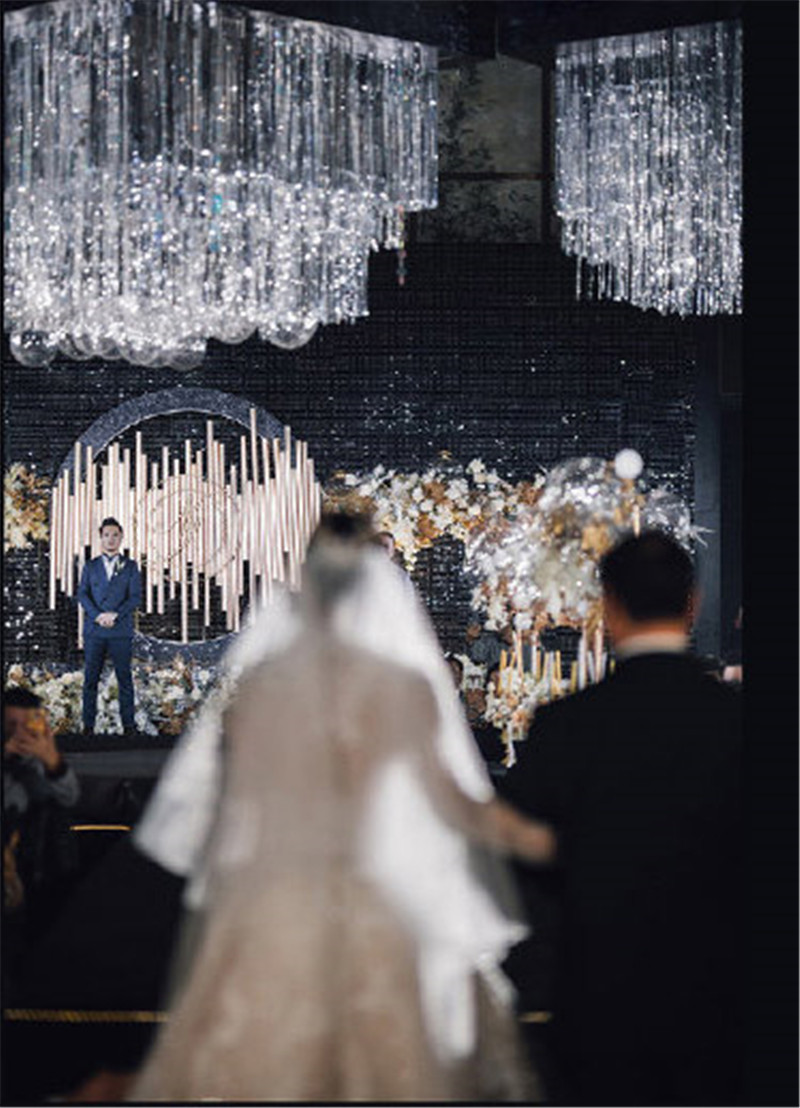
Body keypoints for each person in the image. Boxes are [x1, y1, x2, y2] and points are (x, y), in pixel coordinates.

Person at [129, 513, 556, 1102]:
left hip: (278, 905)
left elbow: (235, 803)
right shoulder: (403, 687)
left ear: (307, 581)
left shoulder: (264, 684)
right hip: (377, 903)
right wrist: (543, 841)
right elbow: (452, 802)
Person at [497, 531, 743, 1106]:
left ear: (608, 606)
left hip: (597, 1001)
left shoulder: (566, 725)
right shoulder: (737, 722)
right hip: (722, 1003)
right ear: (693, 604)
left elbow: (522, 867)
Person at [3, 687, 80, 949]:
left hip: (39, 879)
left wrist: (51, 759)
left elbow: (68, 795)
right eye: (11, 725)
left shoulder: (40, 765)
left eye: (26, 725)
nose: (19, 733)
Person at [78, 517, 141, 737]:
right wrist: (97, 616)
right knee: (90, 679)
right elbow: (82, 594)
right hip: (95, 630)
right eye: (107, 535)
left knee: (125, 679)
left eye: (115, 535)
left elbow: (135, 597)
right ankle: (88, 727)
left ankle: (129, 727)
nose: (111, 539)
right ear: (101, 538)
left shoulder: (130, 566)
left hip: (120, 630)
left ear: (121, 537)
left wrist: (116, 614)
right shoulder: (90, 565)